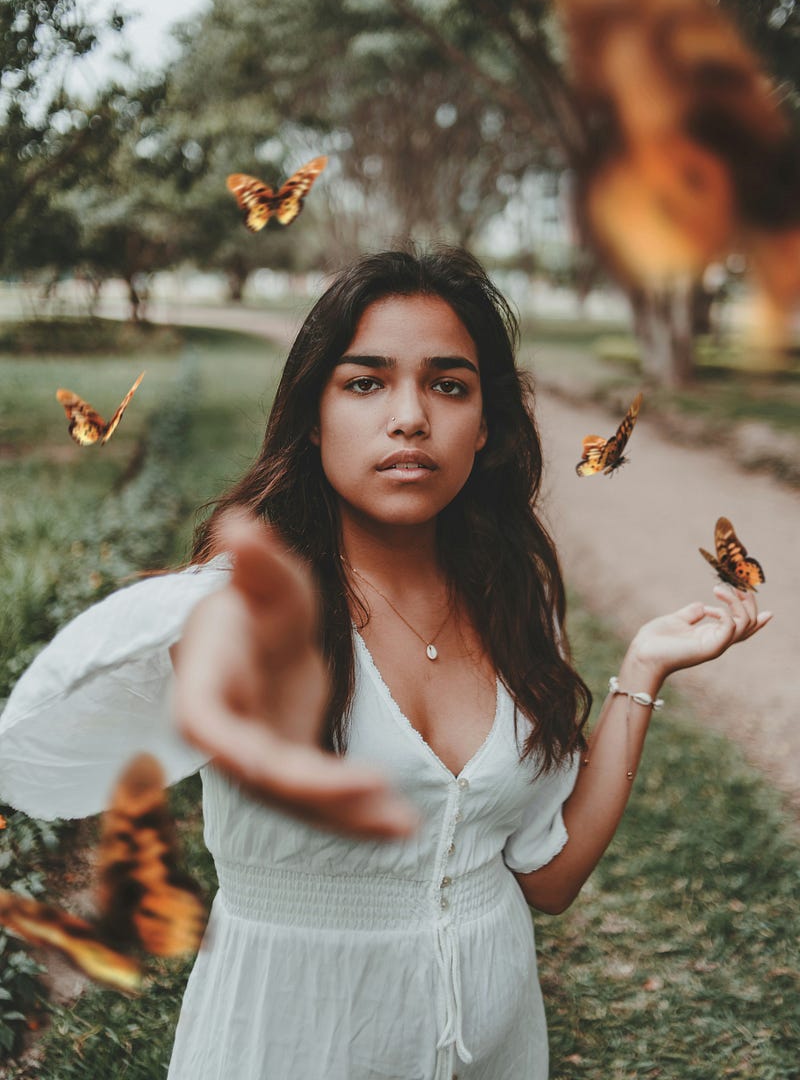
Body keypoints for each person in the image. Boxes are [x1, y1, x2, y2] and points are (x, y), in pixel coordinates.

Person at [0, 246, 770, 1080]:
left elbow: (547, 879)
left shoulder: (514, 602)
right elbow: (50, 739)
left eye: (448, 384)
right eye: (365, 382)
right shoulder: (244, 613)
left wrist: (643, 671)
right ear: (314, 415)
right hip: (290, 1044)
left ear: (486, 427)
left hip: (497, 1046)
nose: (410, 416)